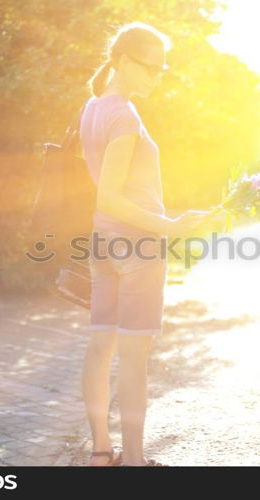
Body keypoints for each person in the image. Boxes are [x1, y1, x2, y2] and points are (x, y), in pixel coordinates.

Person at [80, 22, 212, 466]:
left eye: (162, 69)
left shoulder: (92, 108)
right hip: (137, 247)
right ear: (121, 60)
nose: (156, 76)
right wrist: (169, 226)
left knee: (101, 347)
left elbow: (106, 195)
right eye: (149, 67)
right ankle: (134, 461)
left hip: (102, 244)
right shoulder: (125, 116)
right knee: (134, 358)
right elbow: (111, 195)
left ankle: (102, 452)